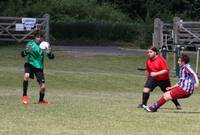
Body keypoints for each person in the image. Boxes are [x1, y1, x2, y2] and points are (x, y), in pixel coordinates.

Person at [21, 33, 55, 104]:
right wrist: (26, 51)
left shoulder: (44, 45)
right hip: (30, 64)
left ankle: (41, 100)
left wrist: (49, 53)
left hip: (39, 67)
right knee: (26, 76)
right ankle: (24, 95)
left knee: (43, 87)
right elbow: (22, 54)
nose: (39, 38)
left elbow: (51, 57)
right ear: (34, 37)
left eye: (40, 37)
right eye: (37, 37)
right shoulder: (31, 44)